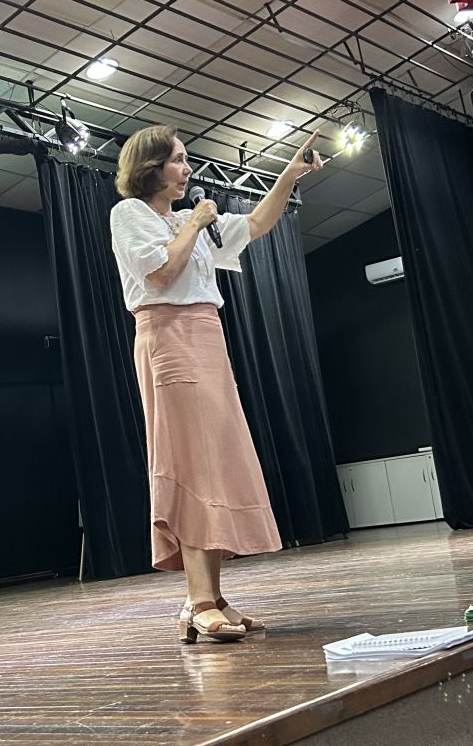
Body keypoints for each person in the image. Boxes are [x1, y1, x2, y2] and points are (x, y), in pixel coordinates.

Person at [109, 124, 322, 644]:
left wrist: (289, 177)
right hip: (168, 335)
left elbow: (253, 223)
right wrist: (197, 221)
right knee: (193, 462)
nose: (187, 169)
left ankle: (211, 597)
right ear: (151, 168)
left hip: (206, 335)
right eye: (178, 160)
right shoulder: (131, 214)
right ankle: (199, 599)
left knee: (217, 462)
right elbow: (159, 273)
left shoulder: (189, 219)